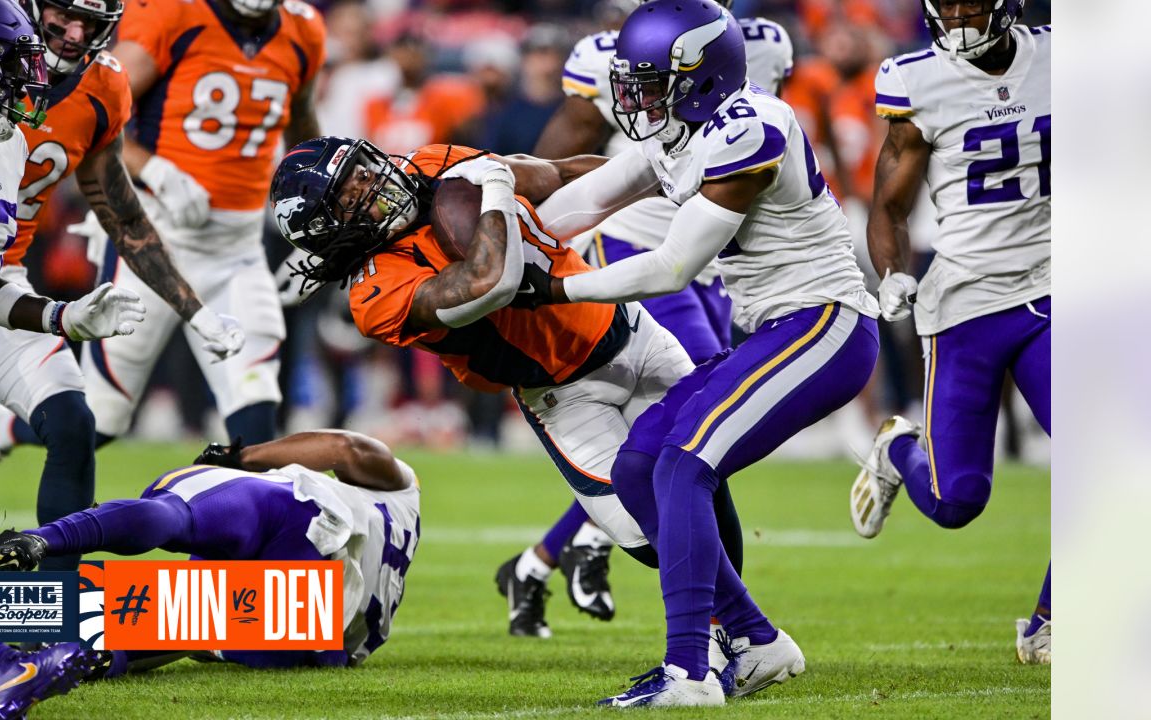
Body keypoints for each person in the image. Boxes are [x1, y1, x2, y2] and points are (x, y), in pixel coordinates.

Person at [268, 137, 796, 697]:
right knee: (644, 531)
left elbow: (564, 173)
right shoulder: (374, 292)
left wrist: (686, 196)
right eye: (348, 192)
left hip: (631, 331)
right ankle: (743, 633)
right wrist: (495, 187)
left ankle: (731, 636)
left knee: (697, 477)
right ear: (329, 232)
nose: (369, 183)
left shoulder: (431, 165)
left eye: (360, 169)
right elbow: (487, 282)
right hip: (562, 397)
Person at [516, 0, 881, 705]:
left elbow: (671, 267)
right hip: (778, 328)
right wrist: (494, 237)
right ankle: (759, 643)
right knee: (639, 464)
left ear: (701, 77)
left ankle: (690, 669)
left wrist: (549, 288)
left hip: (824, 324)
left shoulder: (751, 126)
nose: (638, 99)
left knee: (686, 465)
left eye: (652, 83)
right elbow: (580, 202)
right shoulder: (679, 133)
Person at [504, 0, 796, 634]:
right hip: (634, 246)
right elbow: (564, 170)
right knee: (687, 433)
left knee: (686, 436)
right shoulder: (610, 58)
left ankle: (542, 558)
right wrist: (514, 242)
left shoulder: (758, 55)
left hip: (710, 254)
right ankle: (725, 629)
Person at [0, 0, 243, 571]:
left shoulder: (100, 90)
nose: (74, 36)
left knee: (73, 421)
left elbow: (123, 218)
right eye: (62, 18)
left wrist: (194, 312)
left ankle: (51, 605)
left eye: (91, 25)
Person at [848, 0, 1050, 665]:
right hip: (967, 303)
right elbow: (889, 204)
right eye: (949, 3)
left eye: (972, 1)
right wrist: (890, 272)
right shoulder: (917, 79)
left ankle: (1049, 622)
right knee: (957, 499)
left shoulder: (1061, 55)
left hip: (1056, 288)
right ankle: (899, 450)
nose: (960, 16)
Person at [77, 0, 327, 446]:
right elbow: (90, 113)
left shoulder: (302, 29)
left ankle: (237, 515)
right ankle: (2, 428)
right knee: (101, 419)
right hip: (154, 240)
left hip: (239, 249)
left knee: (256, 416)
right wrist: (151, 167)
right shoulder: (175, 13)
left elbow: (303, 130)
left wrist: (321, 228)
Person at [0, 429, 420, 670]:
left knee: (175, 513)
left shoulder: (399, 489)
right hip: (311, 625)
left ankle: (36, 541)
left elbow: (347, 448)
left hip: (301, 510)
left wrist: (238, 457)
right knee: (192, 623)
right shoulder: (398, 540)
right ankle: (91, 650)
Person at [0, 1, 107, 715]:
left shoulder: (4, 143)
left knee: (56, 428)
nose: (25, 83)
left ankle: (29, 632)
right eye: (9, 62)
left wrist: (63, 315)